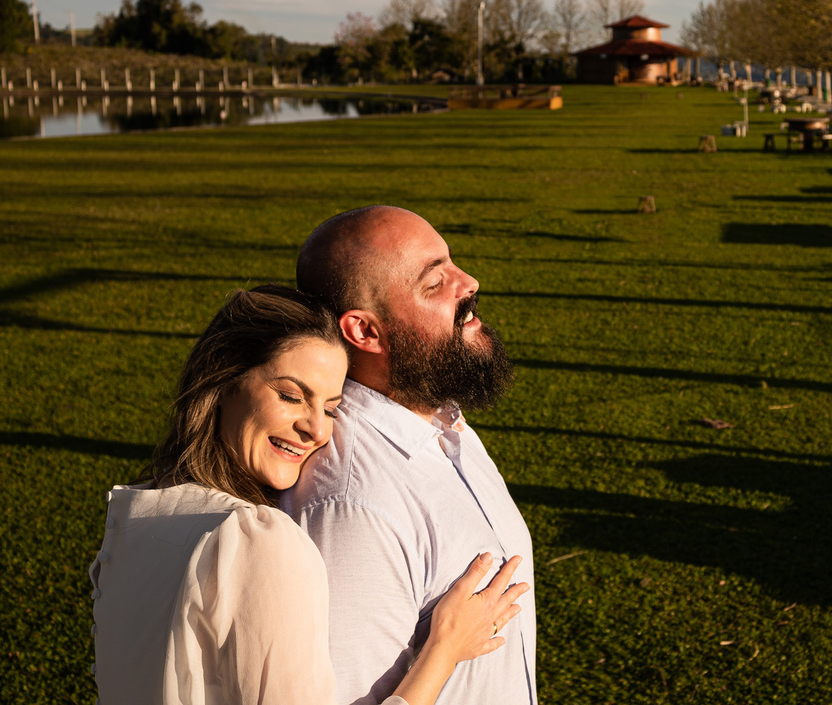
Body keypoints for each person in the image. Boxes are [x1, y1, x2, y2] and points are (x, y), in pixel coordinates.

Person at [88, 285, 528, 705]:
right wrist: (444, 648)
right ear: (222, 382)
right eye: (290, 395)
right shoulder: (259, 542)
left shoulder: (141, 517)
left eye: (332, 408)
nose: (316, 428)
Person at [285, 206, 535, 705]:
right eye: (434, 282)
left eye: (452, 264)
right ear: (366, 332)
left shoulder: (443, 423)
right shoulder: (351, 506)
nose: (470, 283)